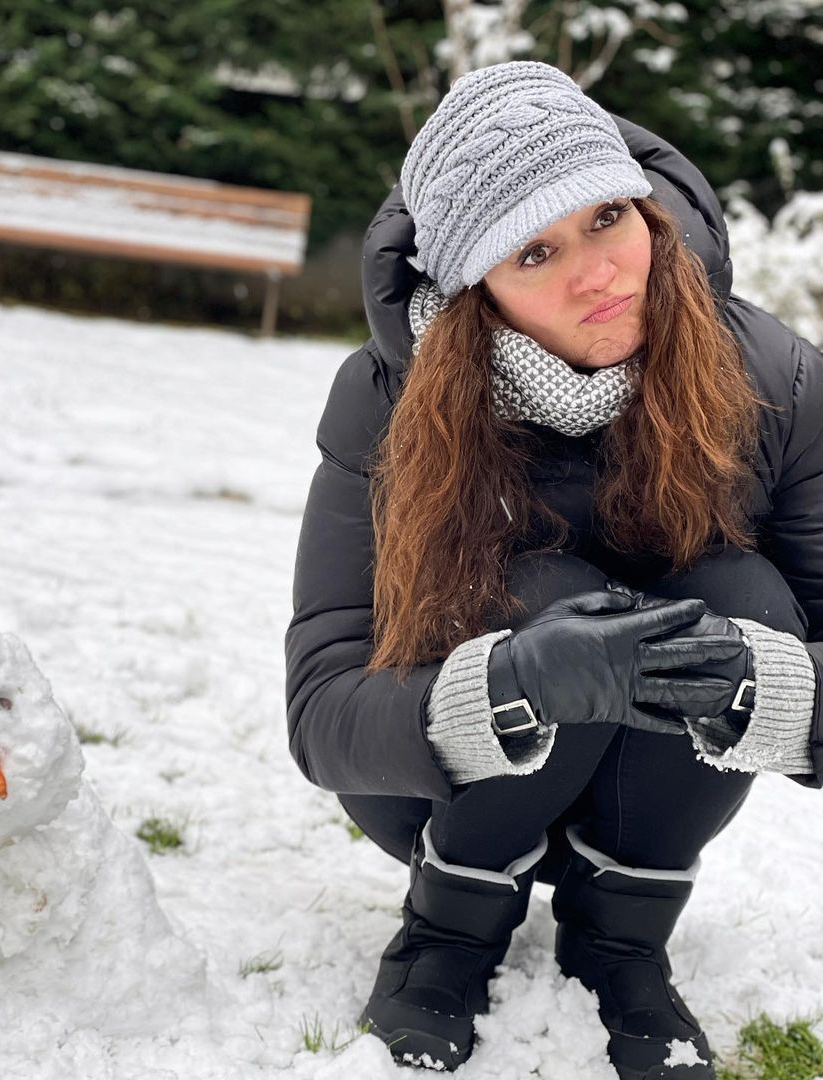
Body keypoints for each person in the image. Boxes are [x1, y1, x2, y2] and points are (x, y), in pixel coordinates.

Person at [284, 61, 823, 1080]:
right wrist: (512, 687)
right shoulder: (389, 401)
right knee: (545, 603)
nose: (601, 273)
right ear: (469, 284)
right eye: (535, 249)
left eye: (608, 216)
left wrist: (775, 691)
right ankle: (447, 936)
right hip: (441, 792)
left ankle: (622, 946)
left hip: (662, 782)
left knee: (743, 602)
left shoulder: (779, 381)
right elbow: (321, 712)